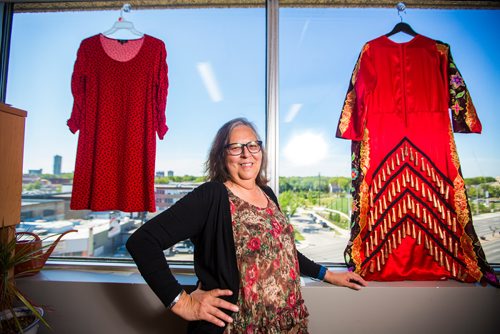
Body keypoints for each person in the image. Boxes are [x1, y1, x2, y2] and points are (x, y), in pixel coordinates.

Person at [126, 118, 367, 333]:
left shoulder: (268, 193)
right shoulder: (212, 196)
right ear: (221, 155)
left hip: (289, 324)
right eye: (235, 147)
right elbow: (142, 242)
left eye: (253, 145)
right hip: (238, 327)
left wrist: (329, 275)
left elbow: (284, 252)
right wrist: (181, 302)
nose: (246, 154)